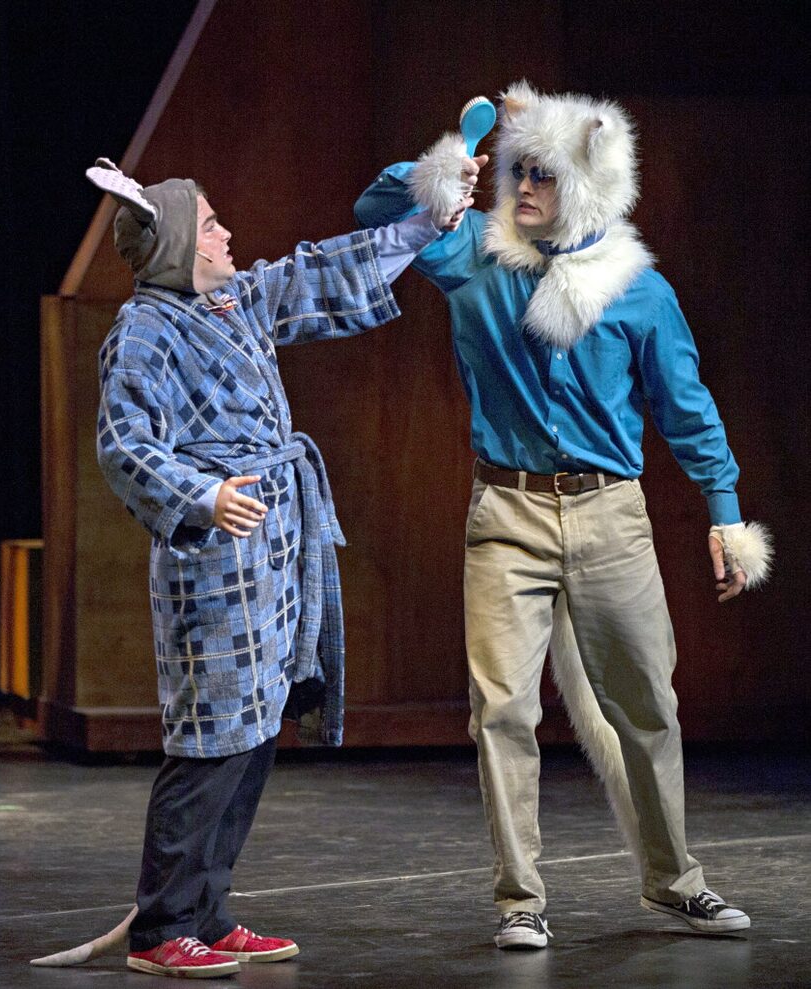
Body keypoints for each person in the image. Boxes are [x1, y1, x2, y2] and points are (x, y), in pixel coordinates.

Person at [354, 83, 772, 949]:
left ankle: (674, 881)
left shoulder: (638, 292)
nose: (525, 188)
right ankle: (519, 899)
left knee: (647, 703)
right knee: (501, 709)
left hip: (610, 514)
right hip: (505, 510)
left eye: (542, 174)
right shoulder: (474, 252)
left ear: (585, 186)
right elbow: (376, 206)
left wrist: (725, 515)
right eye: (519, 172)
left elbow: (686, 410)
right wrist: (459, 157)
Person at [88, 158, 454, 978]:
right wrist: (206, 493)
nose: (226, 234)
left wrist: (424, 225)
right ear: (180, 243)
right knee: (212, 740)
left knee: (254, 734)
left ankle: (208, 915)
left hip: (274, 548)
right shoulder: (145, 330)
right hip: (212, 558)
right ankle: (159, 929)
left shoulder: (229, 303)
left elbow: (314, 272)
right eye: (211, 224)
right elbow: (124, 444)